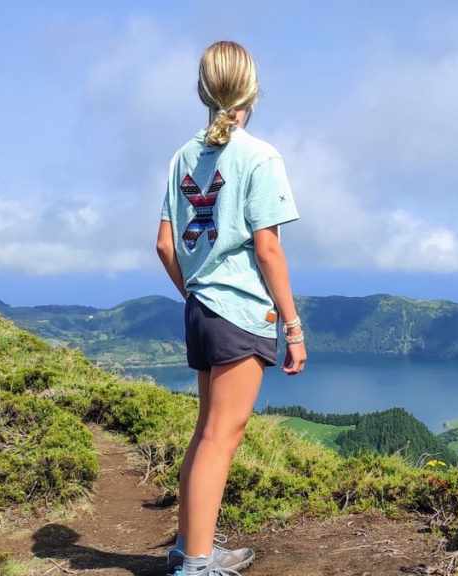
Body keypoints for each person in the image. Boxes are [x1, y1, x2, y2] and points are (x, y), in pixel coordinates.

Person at [156, 40, 307, 576]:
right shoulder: (260, 157)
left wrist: (195, 294)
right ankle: (196, 566)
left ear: (204, 90)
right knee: (222, 437)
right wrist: (292, 326)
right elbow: (267, 248)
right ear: (252, 90)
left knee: (206, 433)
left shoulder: (182, 157)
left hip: (199, 309)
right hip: (241, 313)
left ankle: (189, 547)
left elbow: (164, 245)